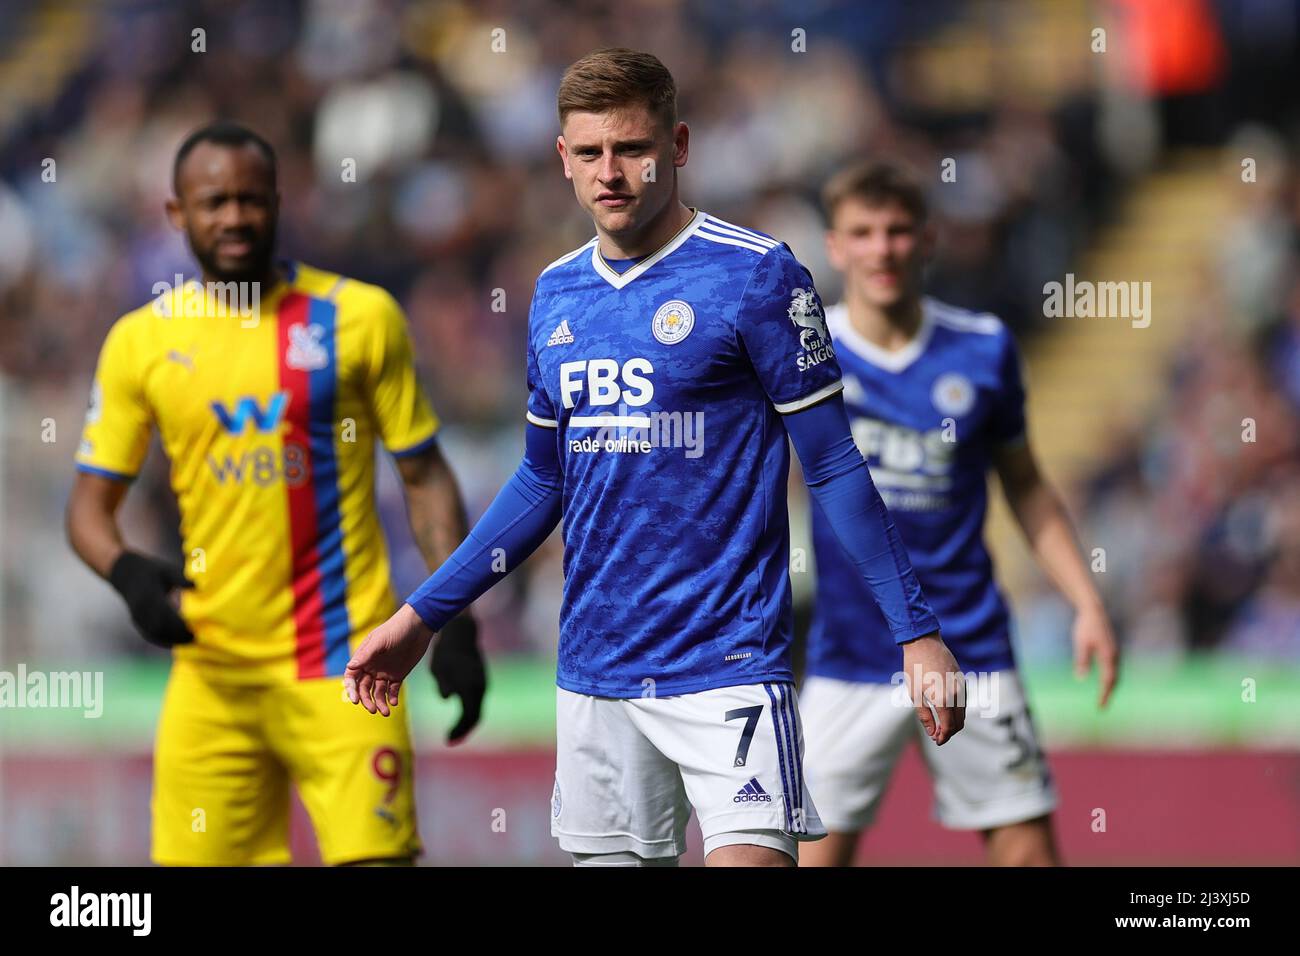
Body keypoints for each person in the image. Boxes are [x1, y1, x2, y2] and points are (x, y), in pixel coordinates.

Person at [344, 49, 965, 868]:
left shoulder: (758, 277)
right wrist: (423, 615)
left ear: (676, 146)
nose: (613, 173)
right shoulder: (557, 294)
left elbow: (835, 466)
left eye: (633, 150)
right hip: (595, 673)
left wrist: (915, 632)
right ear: (562, 159)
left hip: (729, 665)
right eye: (591, 153)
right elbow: (540, 482)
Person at [66, 121, 484, 866]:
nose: (234, 217)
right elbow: (88, 510)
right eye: (214, 201)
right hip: (212, 674)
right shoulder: (141, 342)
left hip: (346, 669)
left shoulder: (360, 318)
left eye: (250, 200)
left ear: (279, 204)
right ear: (176, 214)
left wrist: (455, 620)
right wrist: (129, 575)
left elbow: (423, 477)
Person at [798, 160, 1121, 867]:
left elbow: (1027, 486)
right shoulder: (804, 355)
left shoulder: (982, 349)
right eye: (863, 232)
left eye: (898, 231)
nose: (882, 249)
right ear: (834, 246)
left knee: (1029, 856)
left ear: (928, 239)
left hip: (970, 645)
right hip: (848, 654)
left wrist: (1086, 601)